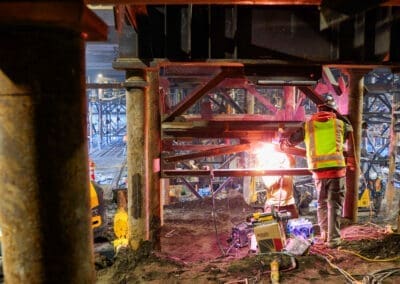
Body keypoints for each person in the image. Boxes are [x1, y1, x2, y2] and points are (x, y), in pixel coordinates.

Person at [281, 94, 354, 248]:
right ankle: (333, 240)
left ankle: (324, 234)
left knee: (321, 203)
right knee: (334, 204)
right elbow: (350, 128)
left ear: (318, 109)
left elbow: (291, 141)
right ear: (333, 110)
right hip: (336, 171)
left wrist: (284, 142)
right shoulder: (340, 124)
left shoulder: (308, 125)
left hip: (318, 173)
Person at [262, 153, 299, 219]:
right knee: (272, 227)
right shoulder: (266, 168)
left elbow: (292, 161)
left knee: (294, 226)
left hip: (289, 204)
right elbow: (269, 184)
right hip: (273, 205)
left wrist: (287, 151)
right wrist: (278, 177)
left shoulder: (286, 162)